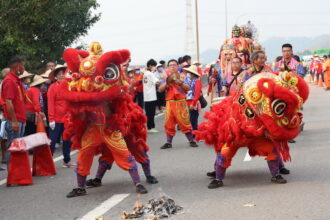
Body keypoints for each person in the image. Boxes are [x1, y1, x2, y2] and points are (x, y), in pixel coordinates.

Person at [158, 59, 198, 149]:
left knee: (184, 122)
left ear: (177, 66)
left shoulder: (183, 76)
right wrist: (167, 82)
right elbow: (160, 89)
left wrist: (181, 83)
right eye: (170, 65)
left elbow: (188, 88)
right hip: (170, 102)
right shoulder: (165, 77)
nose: (172, 66)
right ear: (168, 67)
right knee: (169, 123)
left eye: (174, 65)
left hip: (181, 102)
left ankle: (191, 140)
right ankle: (168, 142)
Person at [48, 65, 75, 167]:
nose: (61, 76)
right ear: (55, 76)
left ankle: (67, 160)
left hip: (67, 118)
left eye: (63, 74)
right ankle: (48, 161)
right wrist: (51, 119)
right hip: (56, 118)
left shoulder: (69, 85)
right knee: (53, 140)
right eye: (59, 74)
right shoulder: (52, 87)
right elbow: (50, 103)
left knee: (67, 140)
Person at [1, 57, 26, 165]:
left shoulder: (16, 80)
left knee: (17, 147)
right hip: (14, 120)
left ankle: (16, 173)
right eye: (23, 66)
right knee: (13, 147)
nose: (24, 68)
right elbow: (8, 102)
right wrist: (14, 121)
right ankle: (12, 174)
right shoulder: (9, 81)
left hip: (19, 119)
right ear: (17, 66)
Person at [183, 65, 202, 132]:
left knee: (193, 120)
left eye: (189, 73)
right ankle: (195, 135)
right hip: (188, 103)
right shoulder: (189, 82)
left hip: (193, 104)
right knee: (191, 120)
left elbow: (196, 94)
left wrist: (193, 104)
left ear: (193, 74)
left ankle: (195, 135)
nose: (188, 74)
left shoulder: (197, 82)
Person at [143, 59, 160, 133]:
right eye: (154, 66)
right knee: (151, 112)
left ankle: (148, 126)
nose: (154, 67)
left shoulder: (145, 74)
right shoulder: (150, 74)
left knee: (148, 112)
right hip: (151, 96)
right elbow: (157, 81)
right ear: (150, 66)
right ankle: (151, 127)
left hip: (147, 96)